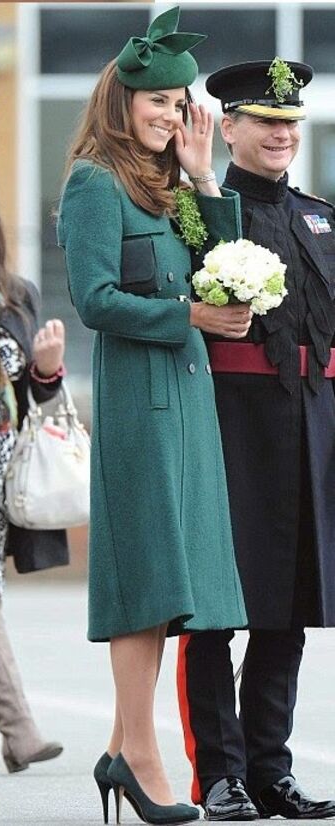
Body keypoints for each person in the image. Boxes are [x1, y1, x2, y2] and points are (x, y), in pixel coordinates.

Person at [57, 7, 252, 824]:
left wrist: (205, 178)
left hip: (189, 398)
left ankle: (119, 750)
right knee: (147, 578)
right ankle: (140, 756)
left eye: (179, 103)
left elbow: (226, 271)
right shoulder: (93, 182)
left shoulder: (170, 185)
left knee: (178, 579)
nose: (170, 115)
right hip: (140, 399)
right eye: (157, 101)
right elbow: (94, 300)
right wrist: (187, 318)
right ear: (122, 98)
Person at [177, 58, 335, 821]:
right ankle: (219, 773)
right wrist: (201, 185)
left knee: (290, 604)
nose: (282, 134)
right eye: (266, 121)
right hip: (230, 426)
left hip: (309, 425)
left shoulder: (319, 216)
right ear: (229, 126)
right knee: (216, 606)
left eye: (290, 122)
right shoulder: (202, 210)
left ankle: (271, 770)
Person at [0, 226, 65, 774]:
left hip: (9, 469)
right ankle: (18, 732)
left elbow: (36, 394)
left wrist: (48, 366)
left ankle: (9, 736)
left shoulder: (20, 295)